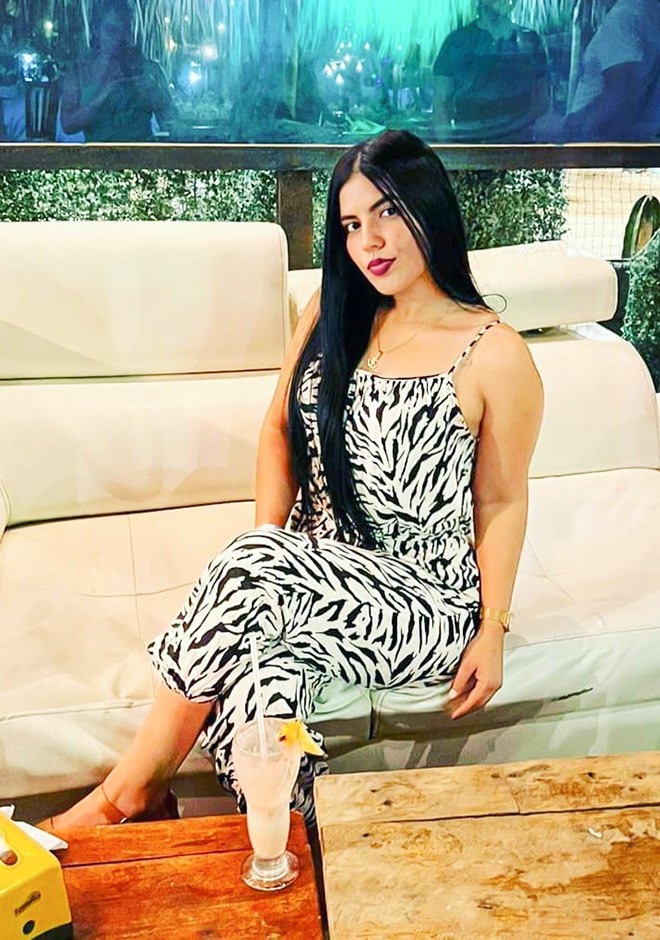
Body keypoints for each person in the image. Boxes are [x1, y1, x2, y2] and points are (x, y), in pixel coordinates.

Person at [41, 130, 543, 832]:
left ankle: (127, 795)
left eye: (388, 211)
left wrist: (492, 629)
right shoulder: (331, 314)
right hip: (312, 567)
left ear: (429, 205)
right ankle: (301, 848)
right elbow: (278, 433)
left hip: (423, 598)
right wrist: (269, 569)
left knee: (256, 573)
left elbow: (502, 500)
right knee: (258, 680)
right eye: (351, 224)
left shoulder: (494, 354)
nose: (370, 240)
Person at [59, 0, 176, 142]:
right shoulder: (79, 73)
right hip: (97, 155)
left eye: (125, 31)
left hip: (142, 154)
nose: (118, 38)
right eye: (111, 30)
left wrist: (153, 93)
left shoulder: (149, 71)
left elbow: (171, 123)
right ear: (96, 30)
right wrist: (105, 93)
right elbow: (68, 124)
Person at [432, 0, 549, 142]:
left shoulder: (530, 40)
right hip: (473, 143)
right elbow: (441, 102)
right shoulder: (456, 42)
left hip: (516, 143)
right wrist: (447, 148)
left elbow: (542, 101)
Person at [561, 0, 660, 142]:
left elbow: (619, 96)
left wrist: (568, 128)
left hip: (597, 146)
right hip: (628, 144)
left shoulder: (622, 18)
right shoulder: (644, 11)